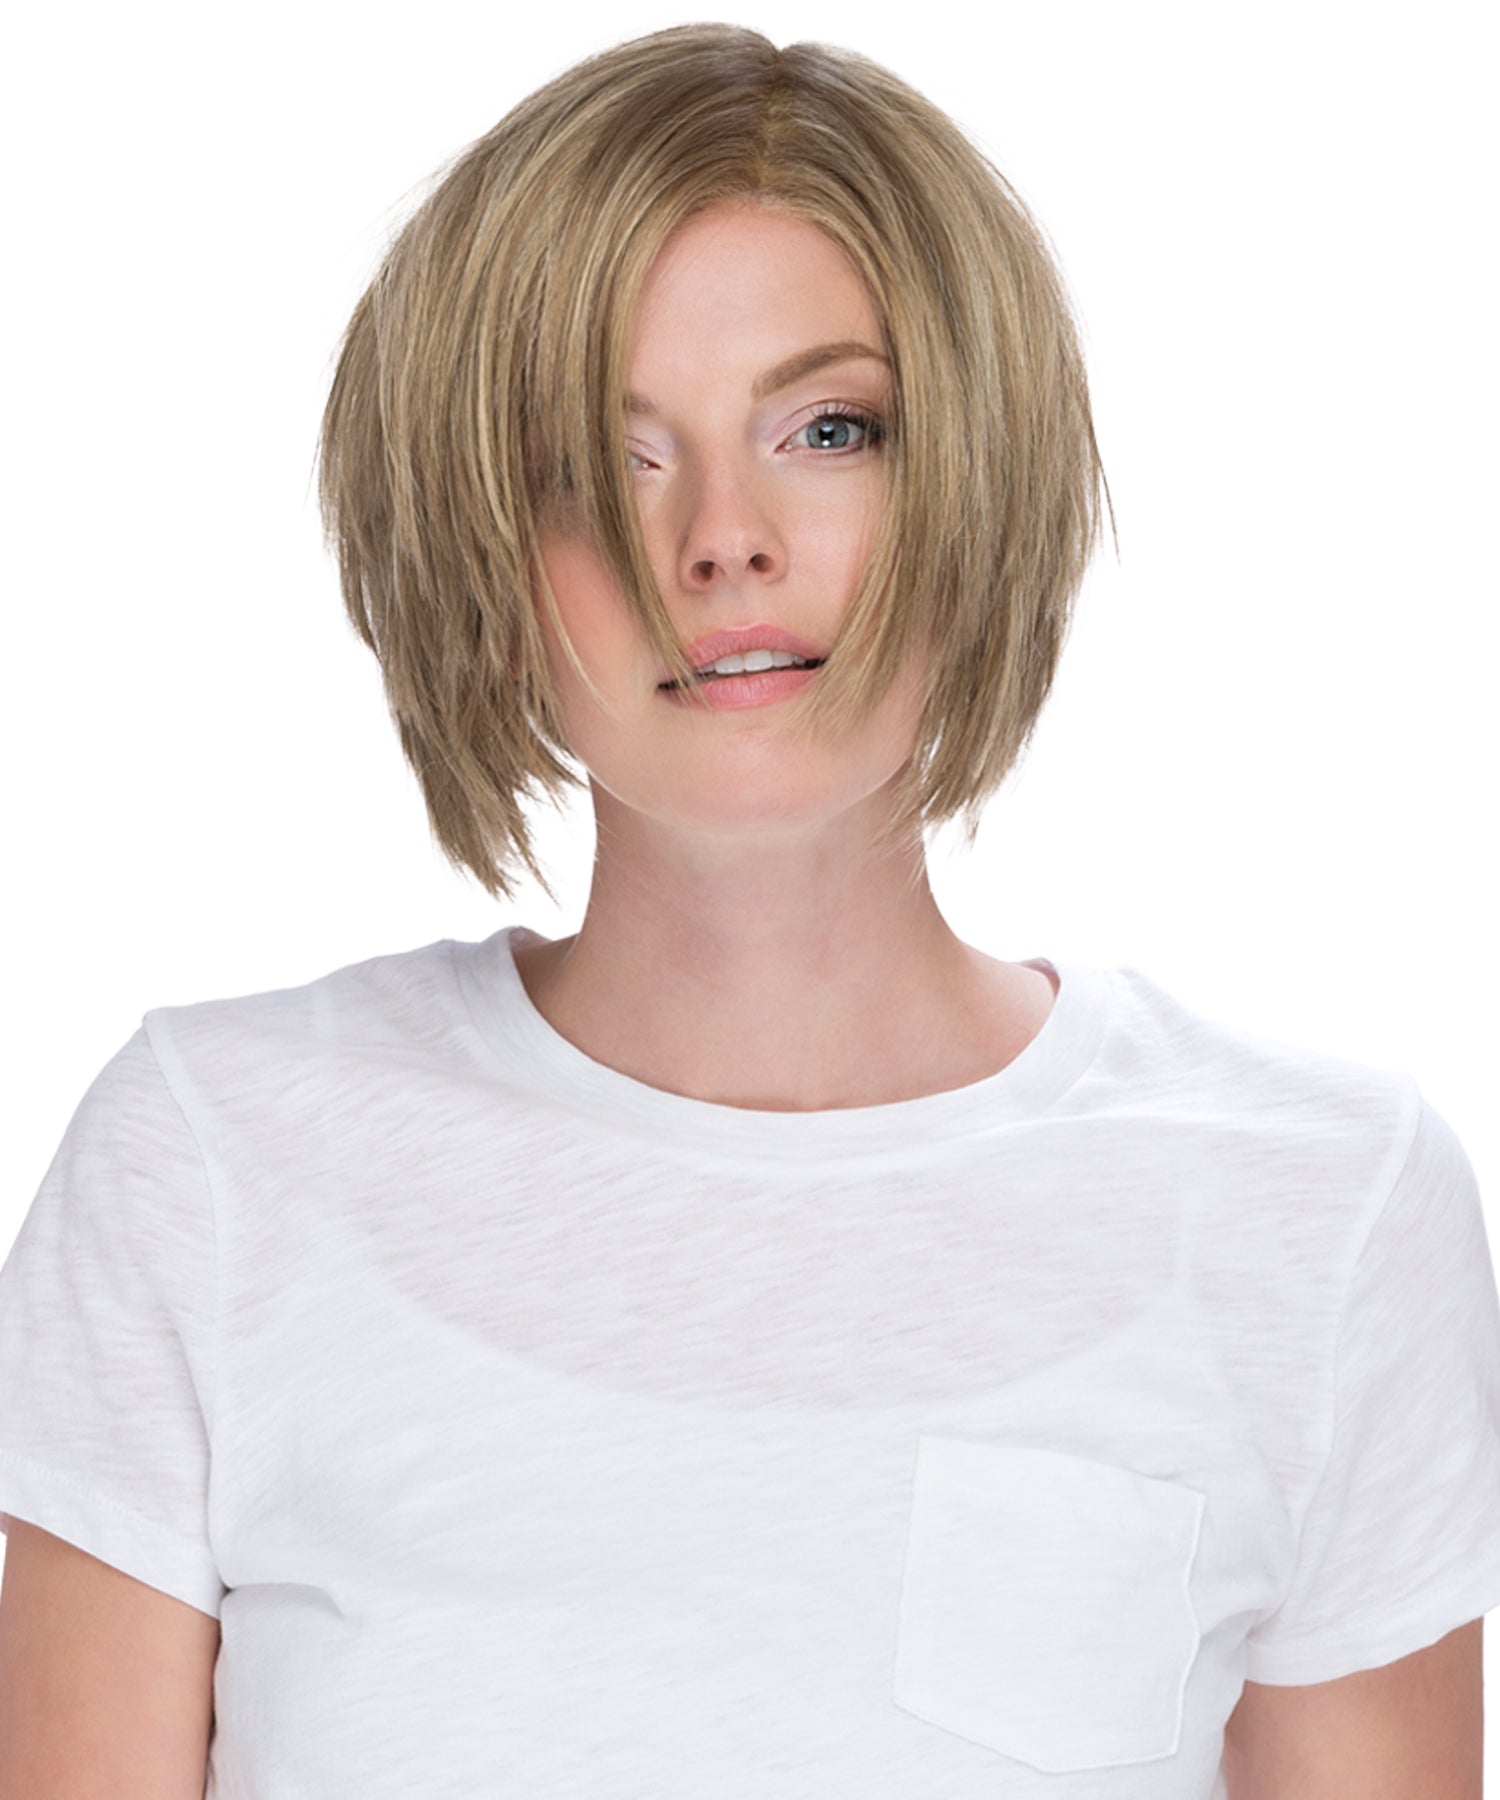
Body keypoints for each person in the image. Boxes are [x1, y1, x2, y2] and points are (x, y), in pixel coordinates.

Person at [0, 22, 1495, 1799]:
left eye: (829, 429)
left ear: (980, 473)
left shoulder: (1320, 1207)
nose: (724, 539)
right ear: (474, 550)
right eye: (600, 459)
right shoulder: (213, 1164)